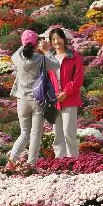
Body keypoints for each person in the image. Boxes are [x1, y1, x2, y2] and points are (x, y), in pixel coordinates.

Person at [7, 30, 60, 169]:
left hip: (22, 101)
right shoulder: (41, 59)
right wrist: (47, 50)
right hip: (38, 100)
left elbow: (21, 50)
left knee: (24, 134)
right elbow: (56, 65)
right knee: (36, 133)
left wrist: (29, 42)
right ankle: (31, 165)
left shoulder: (17, 57)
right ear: (36, 44)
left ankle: (11, 161)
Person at [45, 27, 84, 158]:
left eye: (59, 38)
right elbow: (46, 79)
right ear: (51, 42)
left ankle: (73, 158)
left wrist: (65, 93)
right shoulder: (50, 59)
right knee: (57, 132)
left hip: (70, 98)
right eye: (53, 39)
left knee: (69, 131)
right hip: (54, 99)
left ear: (64, 39)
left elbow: (77, 79)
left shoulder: (74, 56)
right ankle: (60, 159)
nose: (57, 42)